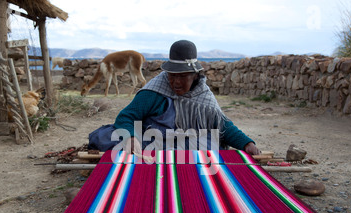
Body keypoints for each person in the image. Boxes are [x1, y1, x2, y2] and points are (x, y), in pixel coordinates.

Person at [88, 40, 261, 156]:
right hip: (152, 139)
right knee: (112, 137)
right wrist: (131, 138)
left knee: (210, 145)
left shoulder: (203, 97)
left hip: (186, 142)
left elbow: (223, 126)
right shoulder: (155, 91)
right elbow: (127, 116)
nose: (176, 82)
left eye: (183, 76)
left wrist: (246, 144)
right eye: (172, 75)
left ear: (195, 75)